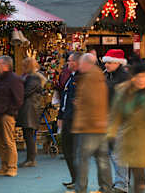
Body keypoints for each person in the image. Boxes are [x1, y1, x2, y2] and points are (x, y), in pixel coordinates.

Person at [108, 63, 145, 193]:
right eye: (139, 76)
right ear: (133, 77)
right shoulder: (122, 91)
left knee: (139, 175)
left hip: (143, 138)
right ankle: (123, 185)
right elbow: (116, 115)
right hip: (126, 137)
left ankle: (130, 185)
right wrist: (111, 135)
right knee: (130, 167)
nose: (141, 79)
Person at [69, 53, 112, 193]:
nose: (79, 66)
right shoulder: (98, 76)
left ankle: (80, 188)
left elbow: (93, 102)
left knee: (82, 159)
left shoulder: (89, 78)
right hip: (100, 125)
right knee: (102, 159)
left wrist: (79, 104)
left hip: (90, 126)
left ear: (86, 64)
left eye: (81, 64)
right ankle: (106, 187)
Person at [102, 49, 131, 193]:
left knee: (117, 152)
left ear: (118, 63)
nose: (106, 65)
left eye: (110, 62)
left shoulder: (125, 77)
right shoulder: (106, 75)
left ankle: (122, 185)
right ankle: (122, 181)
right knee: (110, 152)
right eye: (106, 62)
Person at [0, 55, 24, 177]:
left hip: (7, 115)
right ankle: (4, 166)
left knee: (9, 141)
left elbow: (19, 99)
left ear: (6, 65)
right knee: (0, 142)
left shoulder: (14, 79)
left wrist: (9, 111)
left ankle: (12, 167)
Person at [17, 57, 47, 168]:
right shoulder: (31, 77)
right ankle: (30, 158)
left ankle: (31, 159)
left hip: (30, 109)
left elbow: (25, 92)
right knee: (28, 134)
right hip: (29, 108)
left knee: (29, 134)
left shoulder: (33, 78)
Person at [58, 52, 81, 189]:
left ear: (76, 62)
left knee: (73, 151)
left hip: (74, 120)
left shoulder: (80, 78)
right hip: (67, 117)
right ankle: (74, 178)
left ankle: (78, 180)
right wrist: (60, 116)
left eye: (70, 61)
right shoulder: (70, 77)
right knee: (67, 151)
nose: (67, 63)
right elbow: (65, 97)